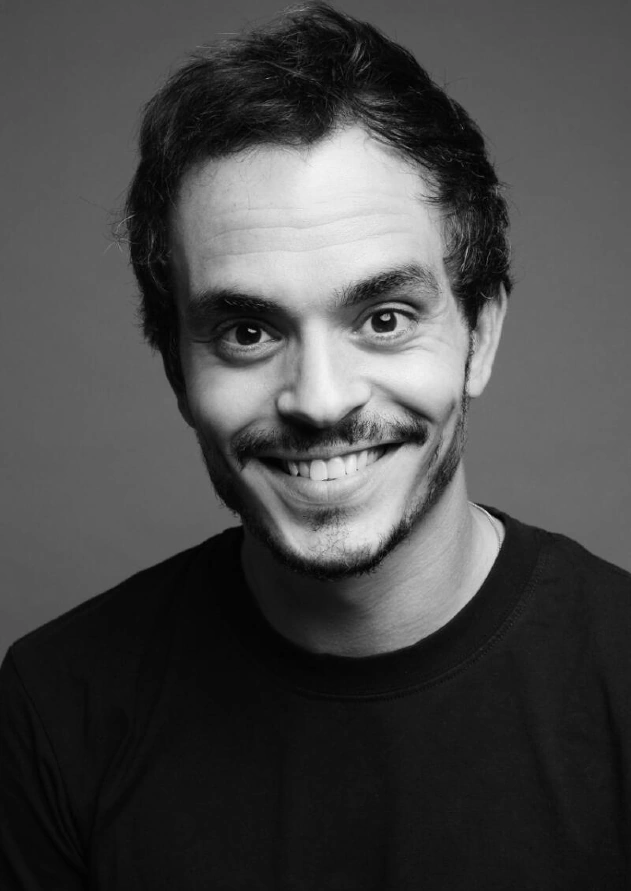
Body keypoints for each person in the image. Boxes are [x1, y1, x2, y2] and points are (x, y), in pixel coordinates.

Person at [1, 3, 630, 888]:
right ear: (176, 369)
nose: (320, 400)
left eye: (384, 318)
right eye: (248, 332)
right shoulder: (55, 707)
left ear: (479, 336)